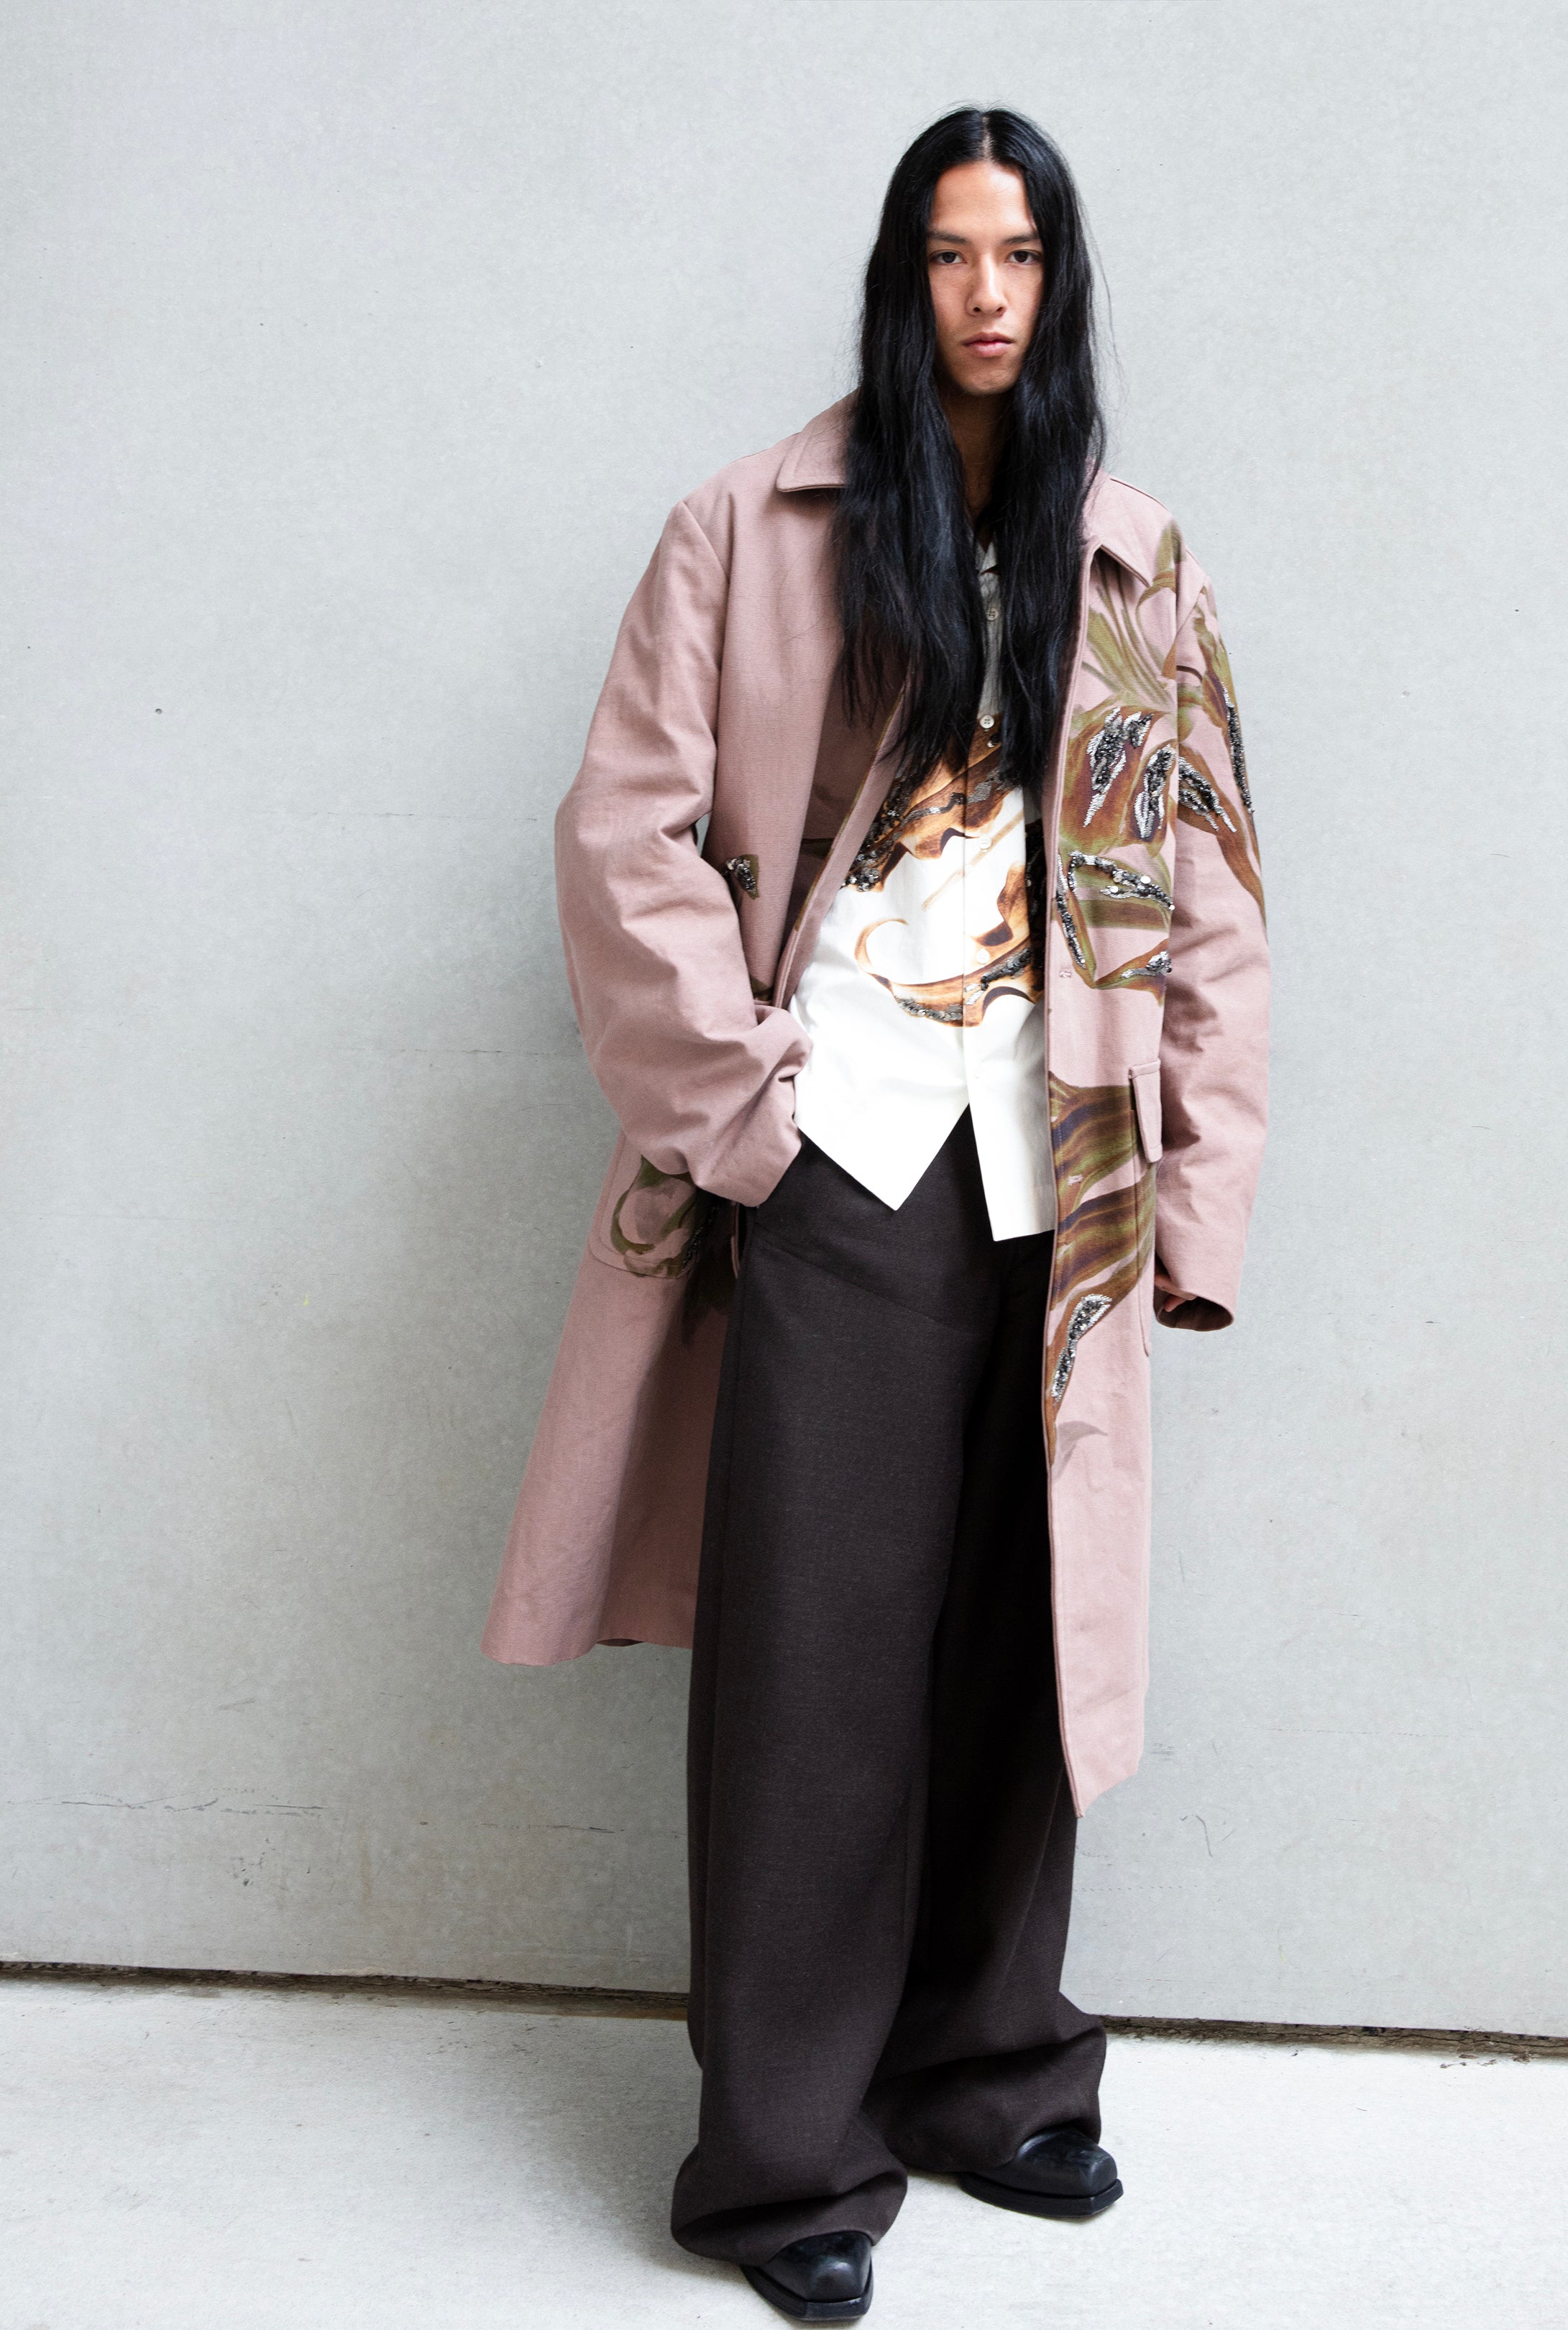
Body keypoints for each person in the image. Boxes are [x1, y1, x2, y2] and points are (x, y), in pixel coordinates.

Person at [482, 105, 1270, 2321]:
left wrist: (1196, 1195)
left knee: (1025, 1655)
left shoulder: (1144, 570)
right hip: (841, 1165)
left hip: (1063, 1178)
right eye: (947, 251)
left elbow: (1212, 902)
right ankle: (787, 2150)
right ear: (897, 276)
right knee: (818, 1668)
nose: (987, 293)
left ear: (1068, 279)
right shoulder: (749, 526)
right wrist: (746, 1118)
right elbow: (624, 839)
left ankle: (990, 2071)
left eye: (1021, 253)